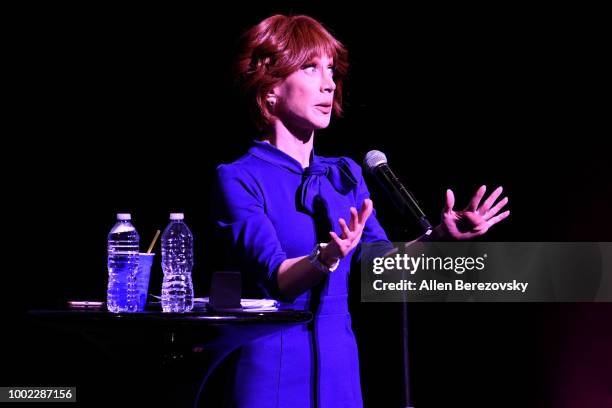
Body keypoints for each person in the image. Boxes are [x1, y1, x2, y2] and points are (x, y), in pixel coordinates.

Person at [212, 14, 510, 407]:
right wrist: (327, 256)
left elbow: (379, 267)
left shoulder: (346, 174)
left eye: (331, 70)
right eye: (310, 67)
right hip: (272, 372)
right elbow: (277, 279)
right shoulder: (240, 177)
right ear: (270, 89)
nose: (328, 82)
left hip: (340, 371)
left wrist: (439, 236)